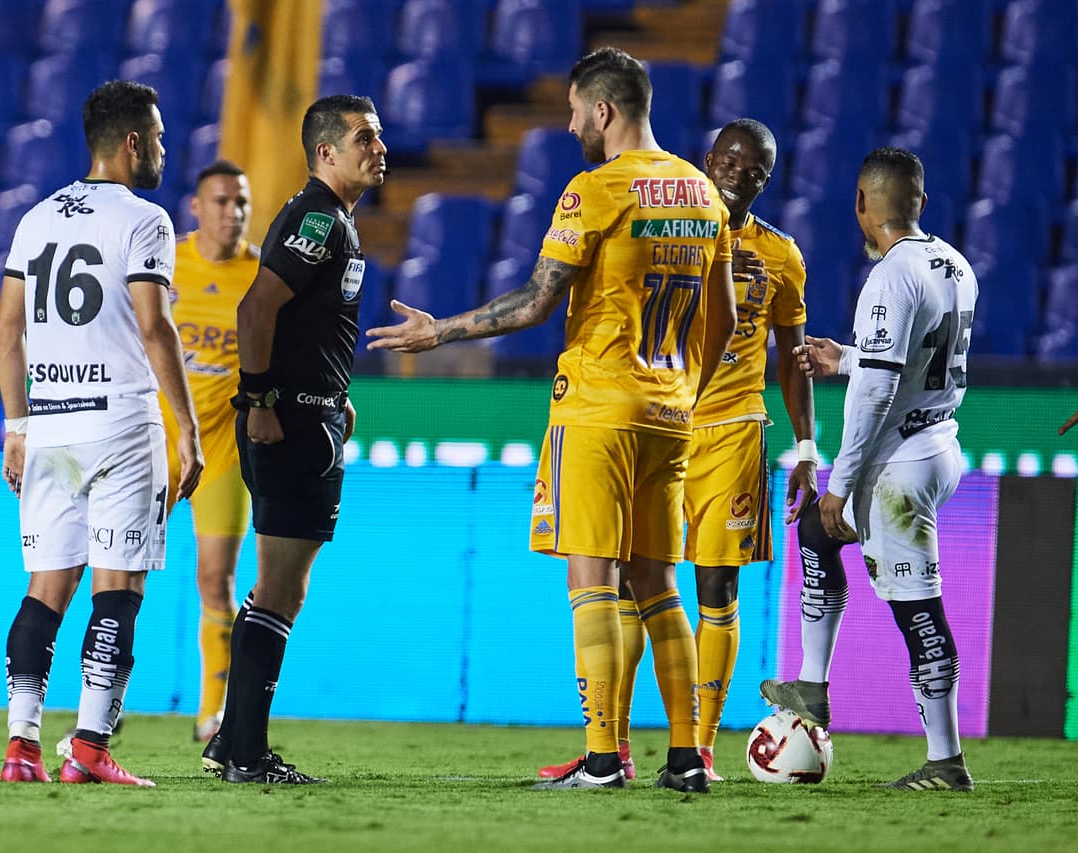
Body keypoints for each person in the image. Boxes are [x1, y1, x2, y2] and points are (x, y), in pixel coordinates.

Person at [368, 46, 736, 791]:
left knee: (592, 577)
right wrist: (686, 384)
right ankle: (688, 756)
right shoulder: (703, 194)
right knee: (661, 583)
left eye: (575, 111)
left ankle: (603, 759)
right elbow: (724, 318)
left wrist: (438, 331)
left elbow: (535, 302)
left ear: (604, 109)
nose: (570, 126)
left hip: (599, 408)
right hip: (672, 411)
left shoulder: (595, 190)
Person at [537, 118, 818, 785]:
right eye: (728, 160)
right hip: (662, 417)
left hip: (730, 428)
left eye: (753, 170)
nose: (736, 174)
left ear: (765, 181)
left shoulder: (781, 255)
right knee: (638, 588)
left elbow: (794, 359)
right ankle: (618, 746)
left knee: (713, 588)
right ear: (707, 159)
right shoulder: (672, 228)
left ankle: (701, 749)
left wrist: (807, 443)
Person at [0, 79, 204, 786]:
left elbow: (5, 327)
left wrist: (16, 425)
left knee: (43, 591)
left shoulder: (35, 218)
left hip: (50, 425)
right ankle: (87, 748)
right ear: (134, 143)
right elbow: (154, 326)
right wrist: (188, 428)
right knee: (117, 591)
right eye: (161, 137)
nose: (166, 151)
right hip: (120, 422)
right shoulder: (145, 221)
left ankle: (21, 747)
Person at [760, 147, 978, 791]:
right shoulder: (954, 264)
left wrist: (841, 483)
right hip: (938, 442)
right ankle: (813, 685)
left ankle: (946, 761)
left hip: (897, 468)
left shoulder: (887, 278)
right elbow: (915, 365)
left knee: (919, 612)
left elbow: (879, 395)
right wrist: (850, 358)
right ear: (921, 204)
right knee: (818, 536)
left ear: (861, 203)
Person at [199, 93, 385, 784]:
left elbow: (301, 322)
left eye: (380, 135)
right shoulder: (317, 216)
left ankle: (232, 739)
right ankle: (246, 750)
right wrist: (263, 400)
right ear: (326, 152)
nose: (379, 146)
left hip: (313, 412)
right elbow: (256, 309)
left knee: (274, 588)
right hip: (293, 420)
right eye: (363, 137)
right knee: (280, 589)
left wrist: (334, 396)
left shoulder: (334, 220)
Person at [158, 159, 261, 742]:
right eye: (221, 201)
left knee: (215, 578)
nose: (233, 212)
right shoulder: (166, 262)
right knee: (118, 572)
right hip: (156, 442)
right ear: (196, 207)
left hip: (221, 446)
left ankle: (212, 712)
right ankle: (103, 695)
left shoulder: (263, 275)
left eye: (241, 202)